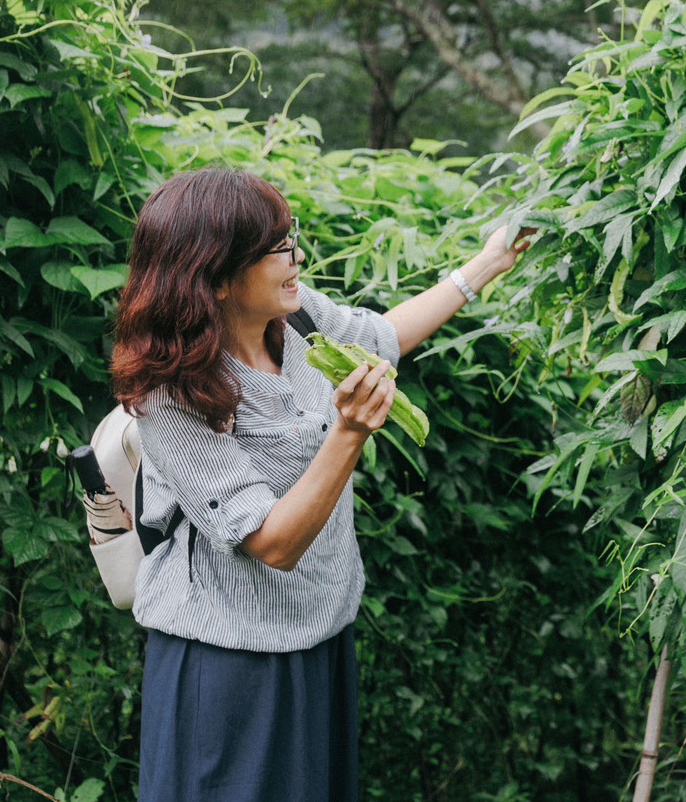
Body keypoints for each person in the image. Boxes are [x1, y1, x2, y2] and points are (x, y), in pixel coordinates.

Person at [111, 168, 528, 802]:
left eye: (289, 237)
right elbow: (274, 543)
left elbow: (384, 338)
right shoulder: (171, 400)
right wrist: (348, 434)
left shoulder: (299, 319)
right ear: (216, 278)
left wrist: (487, 264)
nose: (295, 256)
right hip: (229, 664)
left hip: (319, 639)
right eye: (275, 247)